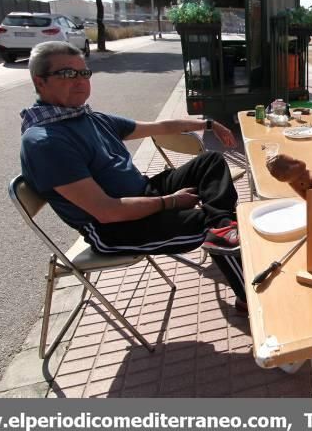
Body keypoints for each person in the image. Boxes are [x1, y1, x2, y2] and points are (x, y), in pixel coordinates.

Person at [19, 41, 247, 311]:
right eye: (68, 74)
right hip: (114, 229)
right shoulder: (46, 142)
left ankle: (222, 229)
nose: (80, 81)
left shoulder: (89, 118)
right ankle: (251, 298)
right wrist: (170, 202)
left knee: (209, 162)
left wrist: (207, 123)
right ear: (40, 81)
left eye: (84, 73)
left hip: (143, 193)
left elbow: (159, 126)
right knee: (202, 222)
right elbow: (107, 212)